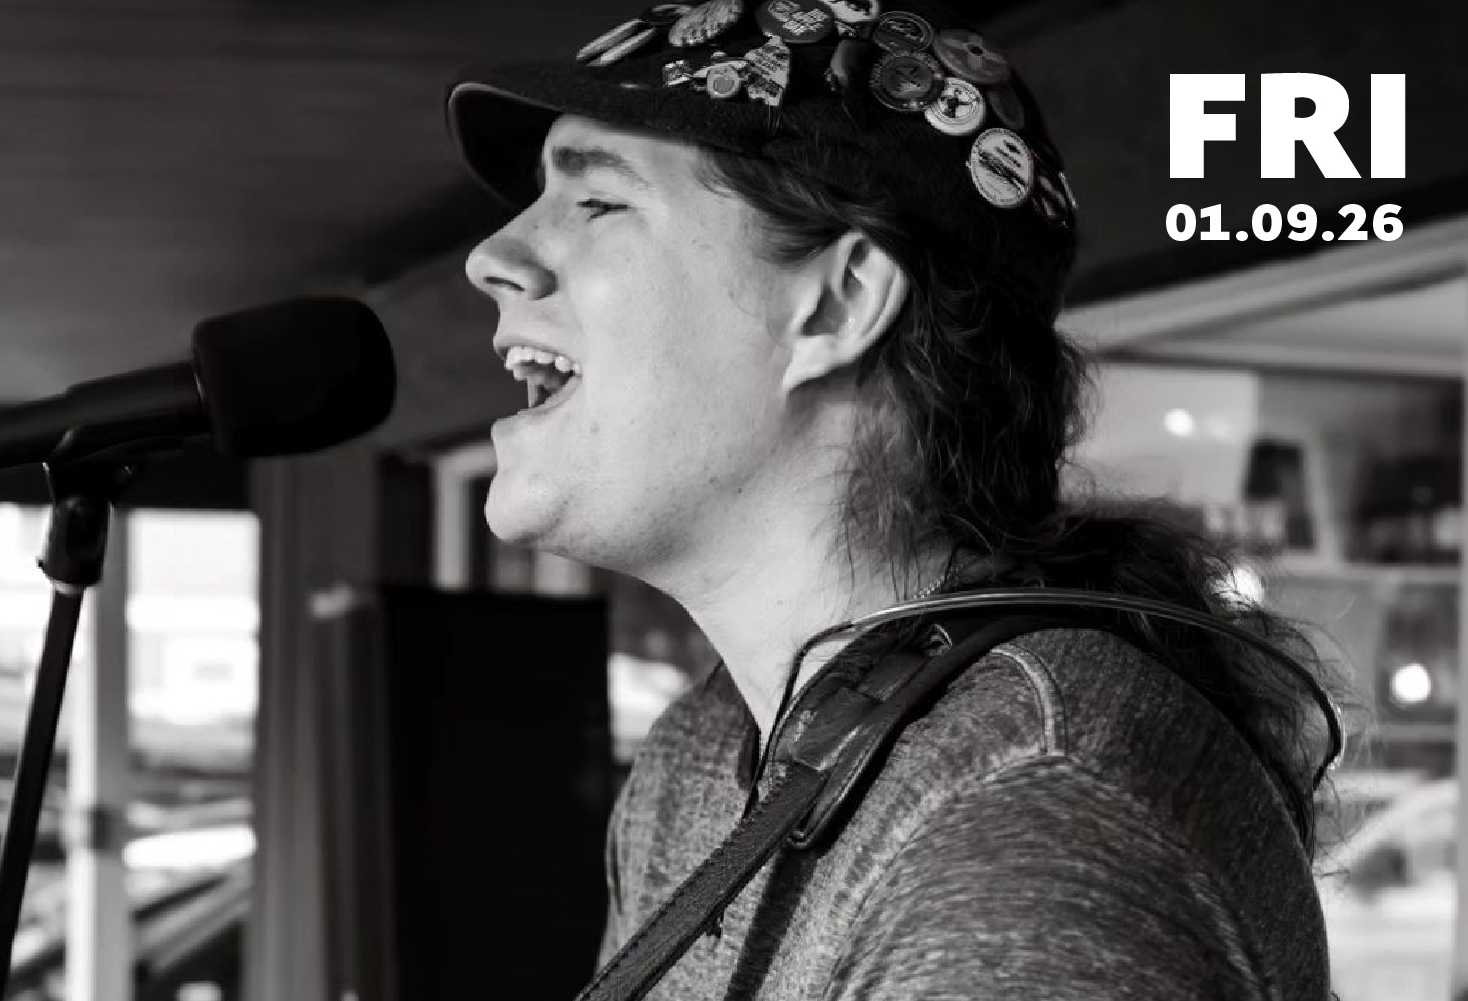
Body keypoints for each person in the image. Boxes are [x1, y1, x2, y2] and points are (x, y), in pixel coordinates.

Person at [444, 1, 1340, 998]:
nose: (491, 257)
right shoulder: (706, 753)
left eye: (598, 203)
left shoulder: (1023, 832)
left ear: (838, 303)